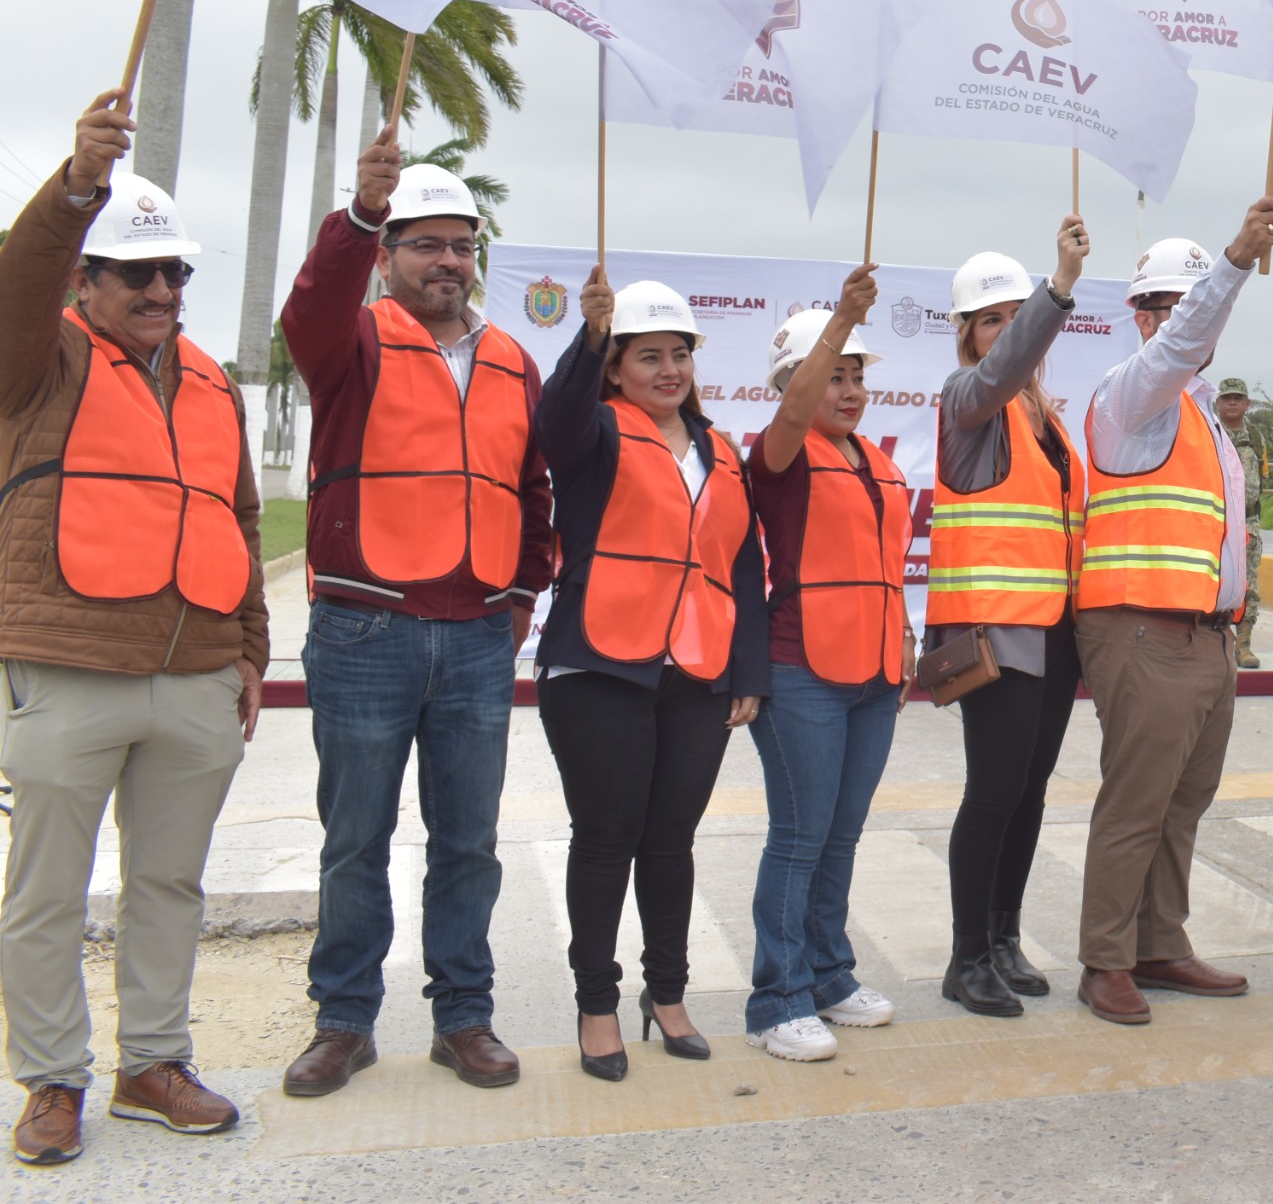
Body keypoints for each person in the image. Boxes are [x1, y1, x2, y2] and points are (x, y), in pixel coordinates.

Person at [0, 94, 266, 1165]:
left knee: (169, 881)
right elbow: (18, 282)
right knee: (46, 888)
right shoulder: (37, 359)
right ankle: (52, 1076)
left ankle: (152, 1059)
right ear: (87, 281)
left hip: (196, 673)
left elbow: (239, 516)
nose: (163, 291)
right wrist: (75, 189)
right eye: (138, 274)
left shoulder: (211, 381)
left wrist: (249, 648)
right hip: (66, 665)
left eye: (176, 274)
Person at [280, 127, 553, 1096]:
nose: (448, 260)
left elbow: (534, 486)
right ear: (388, 256)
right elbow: (307, 305)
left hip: (477, 632)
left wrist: (521, 589)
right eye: (426, 243)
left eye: (461, 243)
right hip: (364, 630)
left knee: (467, 841)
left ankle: (463, 1016)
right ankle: (344, 1019)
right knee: (355, 836)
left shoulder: (512, 357)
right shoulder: (348, 340)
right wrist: (357, 210)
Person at [532, 272, 769, 1081]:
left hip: (696, 669)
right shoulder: (593, 429)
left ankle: (667, 994)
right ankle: (597, 1003)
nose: (668, 371)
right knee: (606, 840)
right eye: (647, 357)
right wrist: (588, 336)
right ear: (617, 369)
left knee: (672, 843)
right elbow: (550, 425)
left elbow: (740, 566)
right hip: (599, 663)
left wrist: (749, 667)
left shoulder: (721, 451)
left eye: (679, 355)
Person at [1072, 205, 1273, 1025]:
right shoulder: (1133, 396)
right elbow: (1182, 345)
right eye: (1166, 305)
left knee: (1181, 803)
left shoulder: (1202, 416)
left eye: (1189, 304)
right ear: (1140, 315)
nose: (1184, 320)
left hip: (1203, 636)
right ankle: (1106, 959)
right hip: (1140, 630)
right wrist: (1231, 263)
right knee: (1136, 802)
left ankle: (1159, 942)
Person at [744, 271, 914, 1060]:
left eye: (856, 377)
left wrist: (905, 642)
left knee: (840, 837)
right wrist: (843, 319)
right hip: (802, 669)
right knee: (801, 835)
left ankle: (828, 974)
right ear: (796, 382)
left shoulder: (874, 462)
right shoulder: (781, 452)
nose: (848, 390)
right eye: (832, 374)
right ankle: (777, 999)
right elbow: (790, 413)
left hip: (875, 673)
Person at [931, 218, 1091, 1016]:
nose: (1002, 333)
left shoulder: (1048, 421)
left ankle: (1002, 938)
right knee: (992, 792)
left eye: (1011, 317)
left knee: (1028, 792)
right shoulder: (968, 401)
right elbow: (998, 376)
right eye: (989, 320)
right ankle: (965, 959)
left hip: (1052, 634)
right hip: (992, 633)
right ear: (967, 335)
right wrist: (1056, 289)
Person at [1215, 378, 1267, 671]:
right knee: (1216, 584)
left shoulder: (1256, 438)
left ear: (1247, 404)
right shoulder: (1210, 434)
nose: (1232, 402)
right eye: (1226, 398)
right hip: (1218, 522)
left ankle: (1244, 646)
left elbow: (1262, 479)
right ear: (1218, 403)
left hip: (1248, 522)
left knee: (1250, 587)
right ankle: (1217, 643)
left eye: (1238, 398)